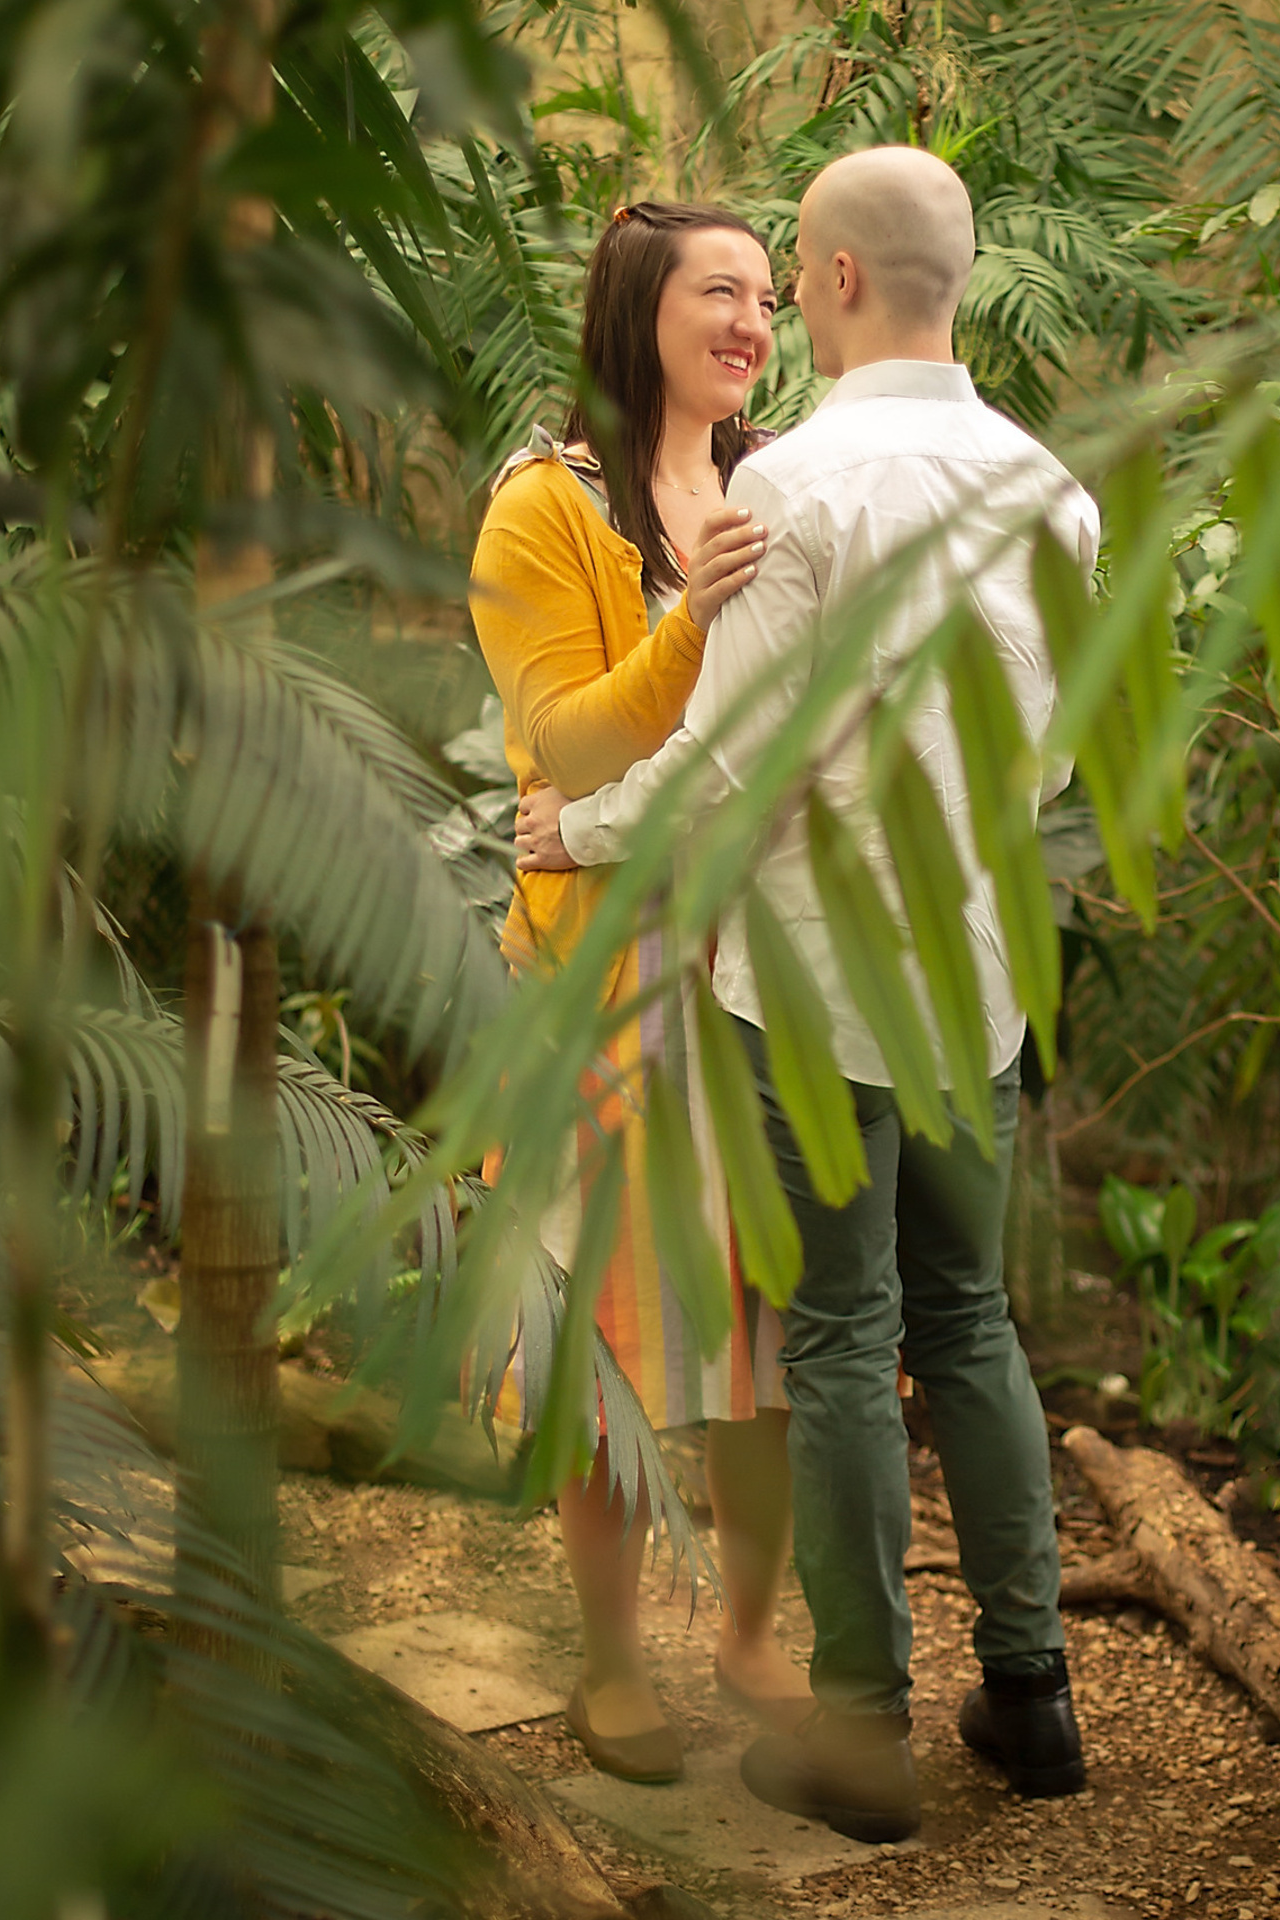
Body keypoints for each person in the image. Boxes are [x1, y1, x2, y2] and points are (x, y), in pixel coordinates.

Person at [513, 147, 1097, 1843]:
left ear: (835, 278)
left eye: (785, 282)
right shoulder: (1052, 491)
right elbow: (1051, 761)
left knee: (843, 1335)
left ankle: (861, 1732)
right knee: (970, 1321)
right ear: (956, 275)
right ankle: (1035, 1697)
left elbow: (727, 768)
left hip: (818, 984)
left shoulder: (796, 488)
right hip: (977, 979)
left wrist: (577, 830)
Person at [467, 200, 808, 1787]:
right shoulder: (543, 507)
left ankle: (748, 1634)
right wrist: (698, 625)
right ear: (635, 309)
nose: (754, 323)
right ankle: (609, 1660)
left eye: (769, 297)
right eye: (719, 292)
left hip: (773, 963)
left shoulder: (781, 482)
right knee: (602, 1330)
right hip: (602, 983)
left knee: (769, 1331)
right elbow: (569, 746)